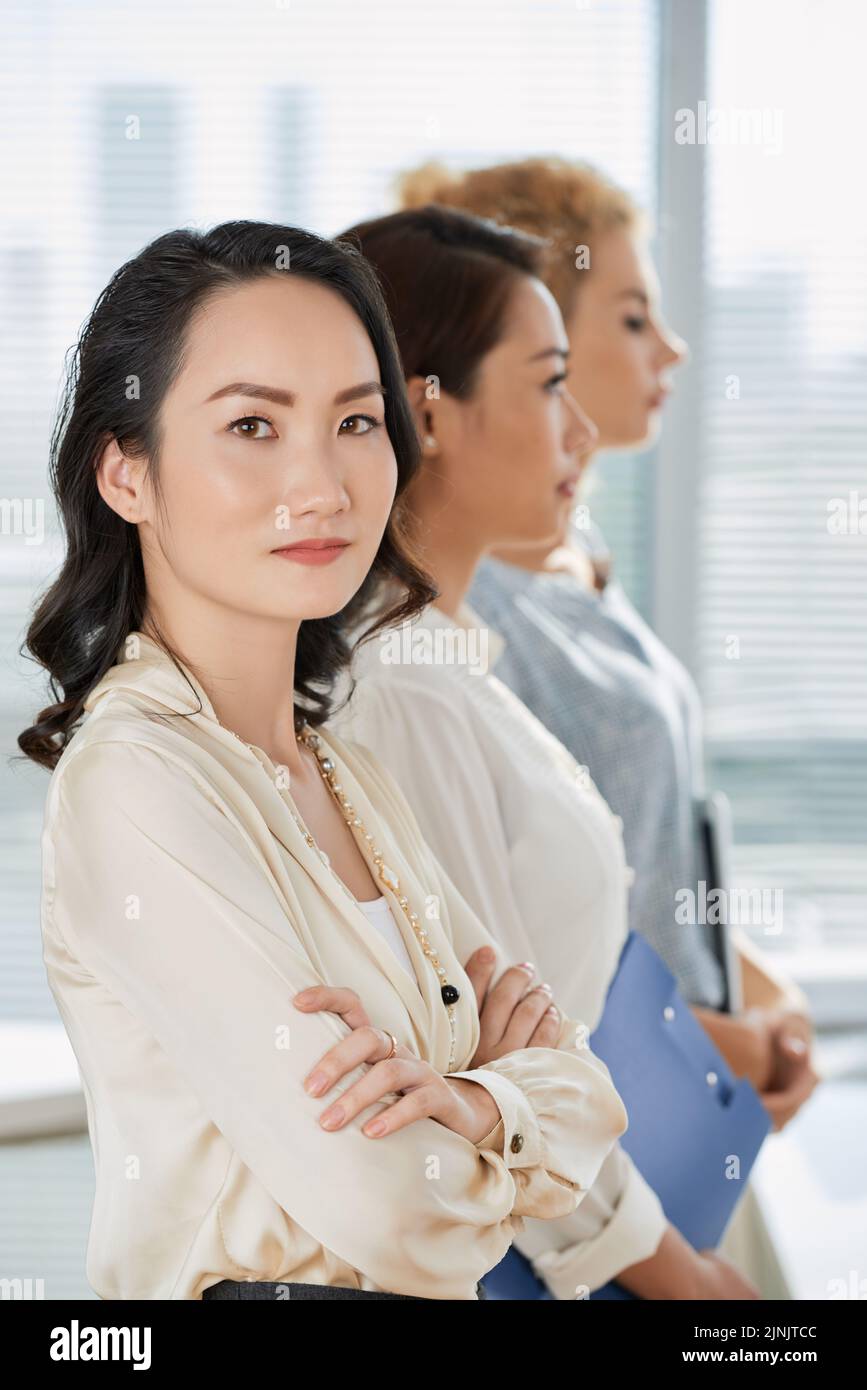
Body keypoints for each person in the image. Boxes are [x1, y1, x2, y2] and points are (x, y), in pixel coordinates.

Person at [18, 220, 630, 1300]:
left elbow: (588, 1092)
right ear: (127, 473)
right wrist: (497, 1102)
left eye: (356, 419)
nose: (324, 483)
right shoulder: (138, 782)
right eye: (252, 424)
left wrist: (478, 1104)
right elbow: (394, 1212)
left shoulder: (343, 771)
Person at [330, 203, 759, 1298]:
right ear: (432, 414)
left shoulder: (451, 667)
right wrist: (687, 1283)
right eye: (550, 383)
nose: (581, 432)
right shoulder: (407, 696)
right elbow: (495, 1076)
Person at [396, 157, 819, 1132]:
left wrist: (752, 985)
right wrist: (707, 1041)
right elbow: (510, 931)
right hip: (608, 1098)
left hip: (684, 1080)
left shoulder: (573, 552)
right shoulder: (464, 603)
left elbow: (642, 840)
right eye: (631, 319)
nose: (670, 350)